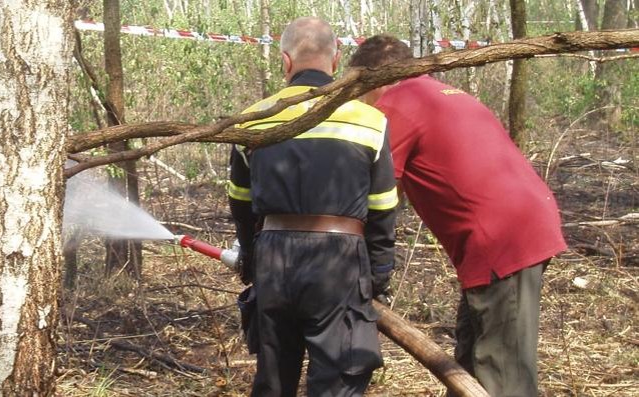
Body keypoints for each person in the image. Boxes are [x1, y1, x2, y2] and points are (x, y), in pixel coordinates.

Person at [348, 34, 567, 397]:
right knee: (473, 357)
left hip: (503, 236)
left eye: (358, 87)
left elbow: (377, 196)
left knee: (502, 373)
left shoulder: (396, 106)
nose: (357, 98)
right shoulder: (438, 92)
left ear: (375, 79)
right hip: (519, 225)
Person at [228, 17, 399, 397]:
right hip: (339, 262)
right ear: (336, 60)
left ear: (285, 62)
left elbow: (240, 203)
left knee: (273, 379)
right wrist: (378, 276)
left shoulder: (252, 119)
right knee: (337, 381)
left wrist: (252, 259)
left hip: (274, 260)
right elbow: (383, 209)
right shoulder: (370, 121)